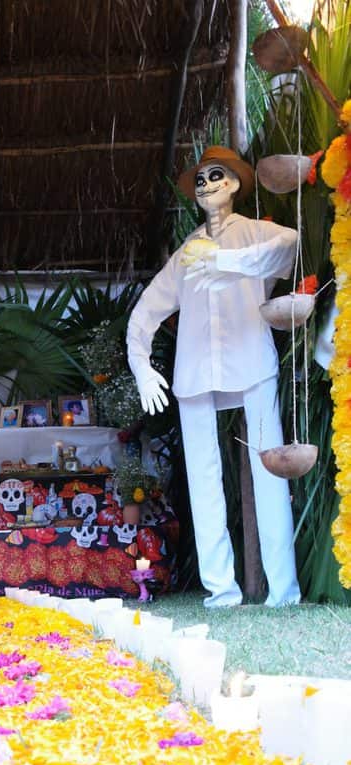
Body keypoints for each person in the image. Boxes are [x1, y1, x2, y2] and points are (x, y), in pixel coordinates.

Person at [126, 145, 300, 608]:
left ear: (236, 184)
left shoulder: (255, 234)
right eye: (200, 179)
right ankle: (221, 590)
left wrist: (226, 263)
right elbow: (144, 314)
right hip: (194, 372)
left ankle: (284, 592)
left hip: (252, 360)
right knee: (204, 482)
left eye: (215, 176)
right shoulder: (185, 253)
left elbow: (290, 246)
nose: (206, 185)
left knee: (271, 471)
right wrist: (142, 368)